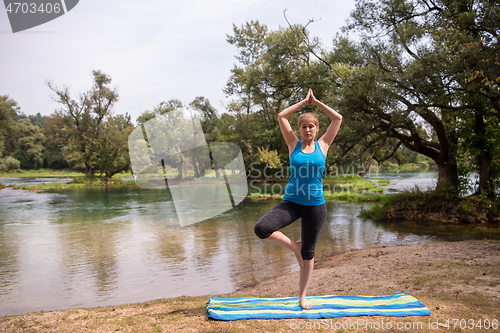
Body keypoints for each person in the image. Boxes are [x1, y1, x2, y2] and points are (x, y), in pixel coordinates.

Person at [254, 89, 342, 310]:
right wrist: (303, 103)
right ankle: (294, 246)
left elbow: (337, 118)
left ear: (317, 128)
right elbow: (282, 117)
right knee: (262, 228)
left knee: (309, 253)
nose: (308, 130)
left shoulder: (324, 145)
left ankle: (302, 296)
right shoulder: (293, 144)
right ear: (300, 129)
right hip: (291, 203)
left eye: (311, 126)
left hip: (315, 206)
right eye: (304, 126)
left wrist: (317, 102)